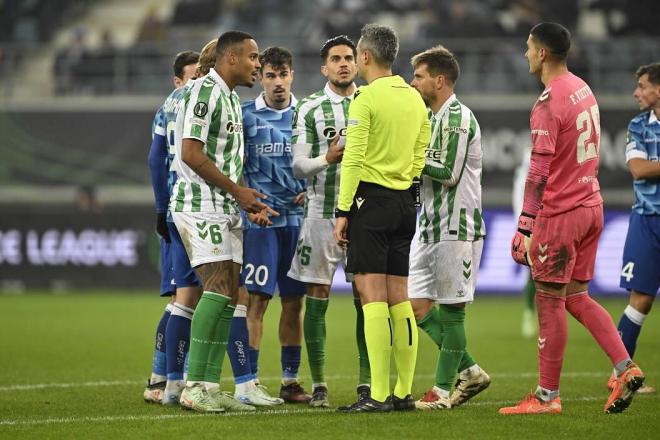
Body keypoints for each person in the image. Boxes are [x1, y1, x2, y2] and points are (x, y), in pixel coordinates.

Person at [499, 22, 645, 415]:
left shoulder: (548, 102)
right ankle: (625, 367)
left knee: (549, 301)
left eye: (529, 47)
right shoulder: (583, 88)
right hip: (591, 205)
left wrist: (525, 224)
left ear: (543, 53)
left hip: (561, 213)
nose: (526, 54)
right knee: (577, 297)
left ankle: (547, 397)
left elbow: (538, 172)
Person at [170, 30, 275, 413]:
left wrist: (247, 200)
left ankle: (210, 384)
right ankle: (193, 384)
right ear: (231, 58)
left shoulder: (231, 98)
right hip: (200, 205)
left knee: (230, 294)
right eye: (253, 57)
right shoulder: (203, 92)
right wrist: (237, 191)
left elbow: (226, 162)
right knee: (216, 288)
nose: (258, 64)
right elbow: (190, 152)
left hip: (225, 207)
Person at [333, 23, 430, 413]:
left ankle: (376, 395)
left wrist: (343, 211)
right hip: (405, 205)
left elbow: (353, 159)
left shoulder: (365, 99)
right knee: (399, 299)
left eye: (356, 55)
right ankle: (403, 393)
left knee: (371, 298)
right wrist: (409, 192)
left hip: (370, 204)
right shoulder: (415, 99)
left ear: (366, 57)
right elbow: (421, 153)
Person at [288, 35, 371, 408]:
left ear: (357, 63)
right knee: (317, 296)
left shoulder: (370, 101)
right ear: (324, 67)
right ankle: (319, 383)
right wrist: (328, 158)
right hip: (321, 213)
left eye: (348, 58)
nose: (343, 64)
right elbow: (297, 165)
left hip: (363, 214)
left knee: (364, 299)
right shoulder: (309, 108)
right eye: (335, 58)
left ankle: (367, 383)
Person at [408, 45, 491, 411]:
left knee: (453, 309)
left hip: (456, 228)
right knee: (416, 304)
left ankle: (441, 392)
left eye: (419, 76)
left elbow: (448, 174)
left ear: (439, 81)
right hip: (428, 227)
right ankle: (470, 369)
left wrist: (409, 158)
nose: (414, 82)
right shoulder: (429, 118)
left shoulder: (458, 117)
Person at [231, 46, 305, 406]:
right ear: (260, 77)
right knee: (256, 301)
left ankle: (290, 382)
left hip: (297, 223)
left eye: (284, 74)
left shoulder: (306, 115)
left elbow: (326, 161)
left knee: (294, 303)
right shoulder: (245, 116)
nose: (278, 82)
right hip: (260, 223)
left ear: (293, 75)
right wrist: (244, 199)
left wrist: (313, 191)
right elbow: (231, 165)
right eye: (271, 75)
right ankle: (250, 382)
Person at [144, 50, 201, 406]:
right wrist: (163, 208)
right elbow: (156, 159)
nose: (198, 81)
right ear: (178, 80)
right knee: (186, 299)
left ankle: (159, 376)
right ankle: (174, 382)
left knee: (179, 301)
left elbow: (154, 156)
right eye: (193, 76)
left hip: (174, 208)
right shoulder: (185, 103)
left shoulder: (169, 105)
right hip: (188, 208)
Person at [615, 62, 660, 395]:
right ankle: (621, 374)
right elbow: (639, 169)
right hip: (647, 220)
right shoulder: (639, 126)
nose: (636, 92)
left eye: (642, 86)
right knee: (640, 300)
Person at [513, 149, 537, 339]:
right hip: (533, 222)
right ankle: (529, 314)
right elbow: (522, 190)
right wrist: (523, 224)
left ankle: (545, 318)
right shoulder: (532, 156)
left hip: (553, 219)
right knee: (533, 271)